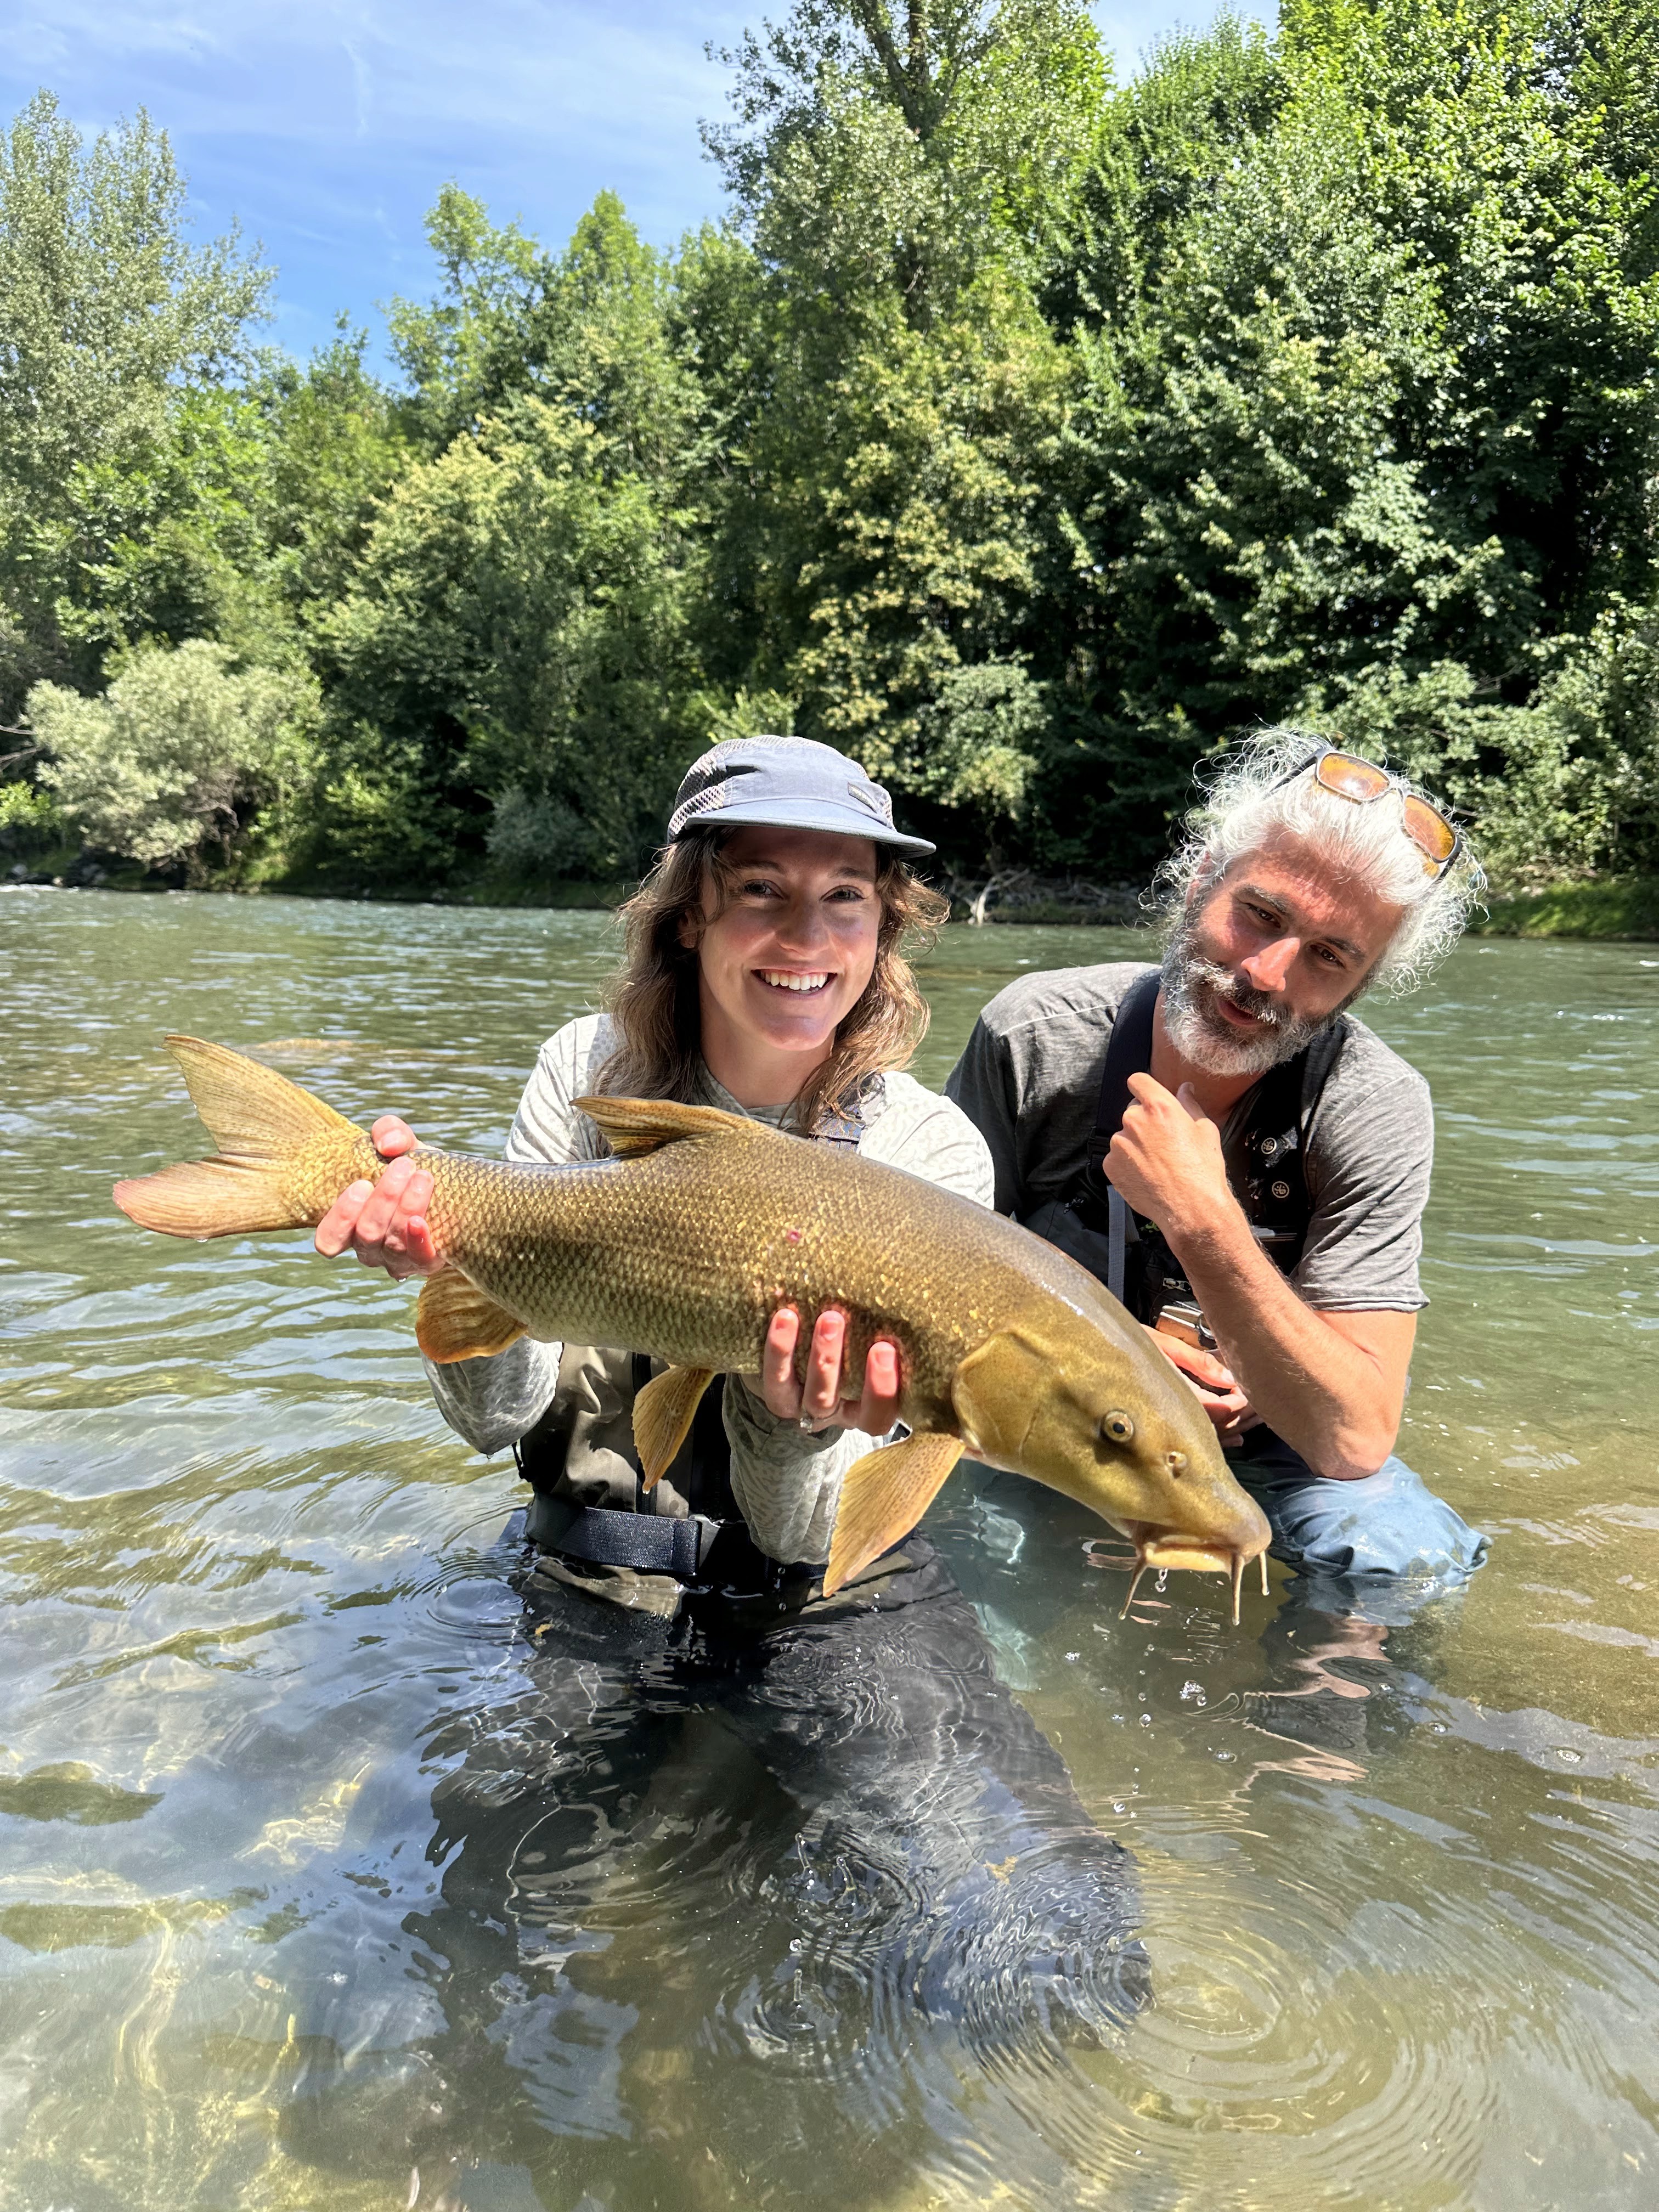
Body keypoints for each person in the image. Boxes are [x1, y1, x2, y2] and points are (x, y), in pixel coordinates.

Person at [312, 733, 1150, 2039]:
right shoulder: (582, 1074)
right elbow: (499, 1426)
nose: (802, 934)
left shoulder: (926, 1149)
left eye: (846, 898)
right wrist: (439, 1270)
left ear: (884, 928)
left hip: (834, 1598)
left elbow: (816, 1532)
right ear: (690, 909)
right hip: (591, 1578)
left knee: (1054, 1927)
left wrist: (786, 1408)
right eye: (761, 888)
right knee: (469, 1928)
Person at [946, 729, 1489, 1603]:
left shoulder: (1374, 1106)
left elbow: (1353, 1437)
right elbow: (929, 1298)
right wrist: (1113, 1370)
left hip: (1273, 1451)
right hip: (1048, 1430)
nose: (1266, 975)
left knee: (1404, 1560)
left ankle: (1313, 1741)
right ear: (1201, 881)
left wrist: (1205, 1221)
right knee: (949, 1572)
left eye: (1329, 957)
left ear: (1359, 985)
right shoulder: (1035, 1039)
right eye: (1262, 916)